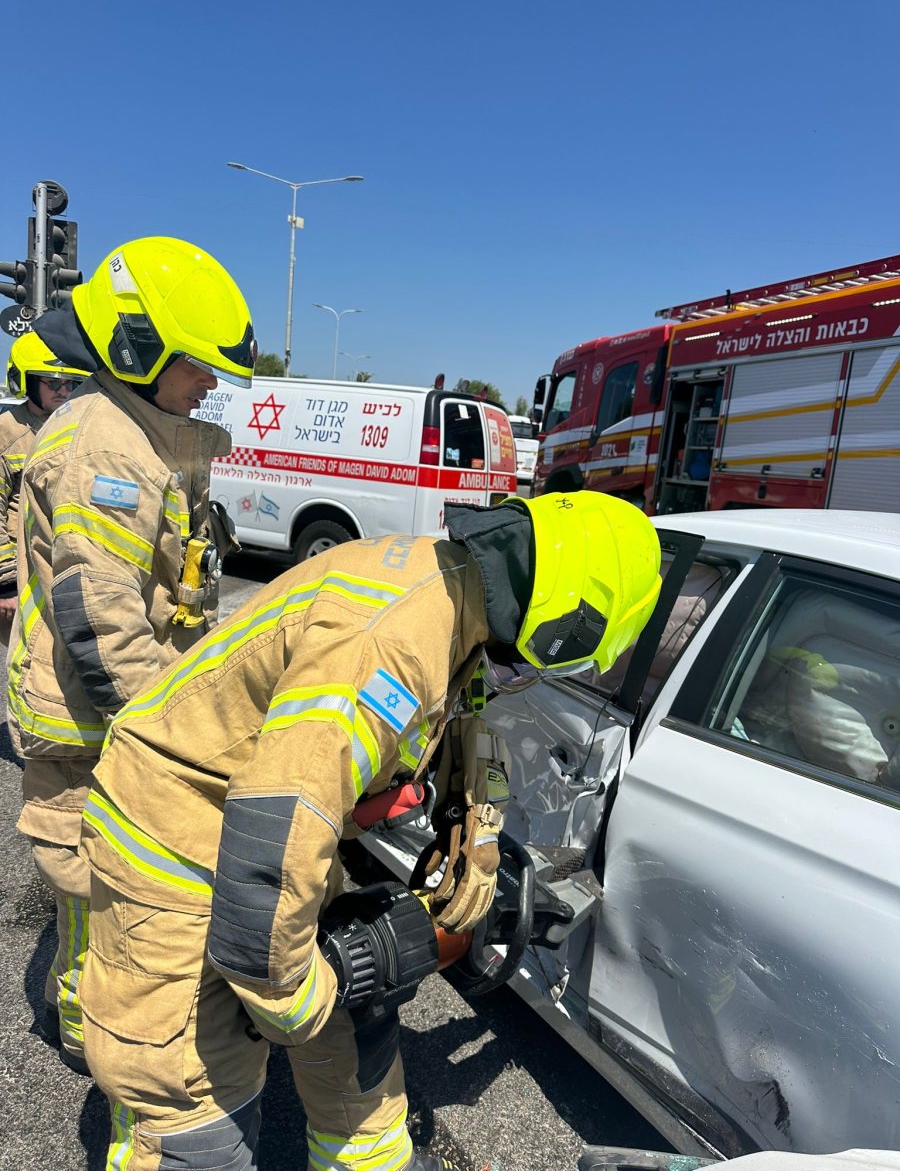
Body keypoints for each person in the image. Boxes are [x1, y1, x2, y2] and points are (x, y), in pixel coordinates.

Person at [78, 490, 662, 1171]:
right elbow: (278, 819)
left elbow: (457, 719)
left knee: (356, 1020)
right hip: (173, 839)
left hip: (270, 833)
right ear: (573, 620)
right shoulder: (393, 639)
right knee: (197, 1109)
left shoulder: (456, 594)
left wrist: (474, 823)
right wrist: (298, 1000)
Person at [8, 236, 256, 1073]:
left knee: (110, 886)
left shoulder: (135, 435)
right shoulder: (107, 450)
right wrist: (172, 739)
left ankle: (97, 1021)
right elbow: (102, 621)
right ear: (137, 348)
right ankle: (96, 1042)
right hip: (97, 721)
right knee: (100, 887)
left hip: (111, 712)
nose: (210, 383)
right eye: (197, 365)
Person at [0, 332, 91, 644]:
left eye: (70, 383)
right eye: (53, 383)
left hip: (60, 567)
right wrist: (6, 585)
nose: (63, 391)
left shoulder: (73, 429)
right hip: (20, 574)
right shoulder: (7, 433)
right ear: (27, 382)